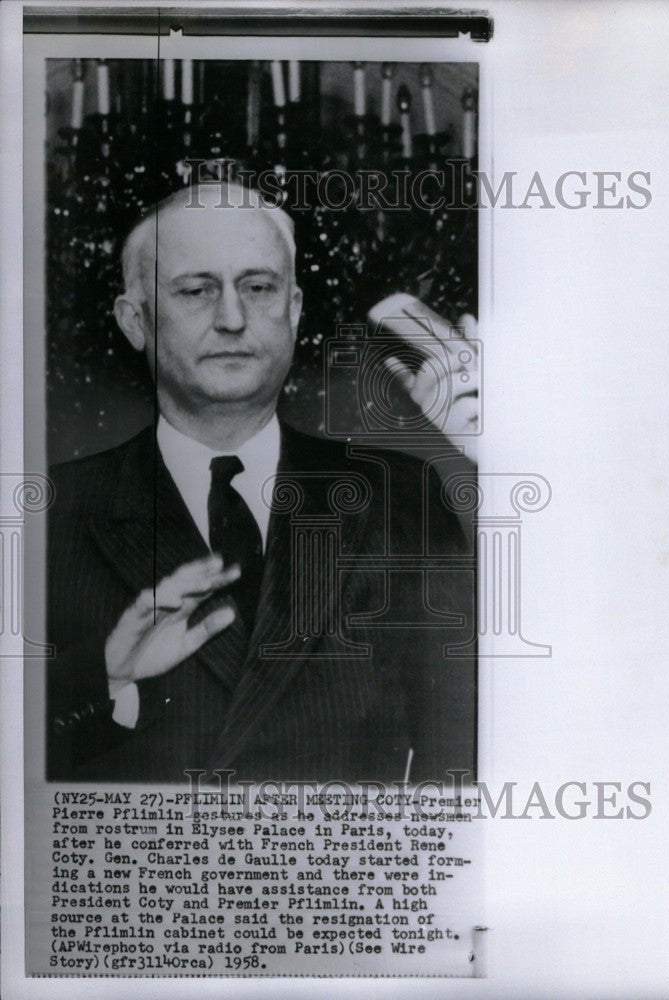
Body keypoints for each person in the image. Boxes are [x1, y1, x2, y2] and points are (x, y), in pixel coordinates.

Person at [46, 183, 477, 784]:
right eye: (196, 291)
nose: (232, 318)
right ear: (134, 320)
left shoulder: (402, 498)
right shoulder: (51, 514)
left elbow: (467, 758)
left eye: (258, 287)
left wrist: (509, 451)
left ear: (294, 309)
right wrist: (106, 678)